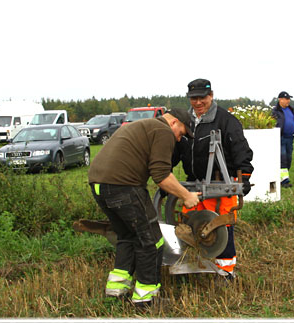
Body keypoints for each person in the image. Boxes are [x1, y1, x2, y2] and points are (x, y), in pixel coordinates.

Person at [88, 108, 200, 308]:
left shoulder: (142, 126)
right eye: (181, 133)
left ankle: (116, 291)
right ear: (174, 122)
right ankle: (146, 299)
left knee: (127, 236)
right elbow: (161, 176)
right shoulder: (163, 131)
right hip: (123, 187)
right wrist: (186, 195)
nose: (178, 139)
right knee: (151, 241)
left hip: (99, 185)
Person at [172, 78, 254, 280]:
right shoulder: (186, 121)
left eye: (202, 98)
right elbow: (174, 151)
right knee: (190, 226)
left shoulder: (226, 120)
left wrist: (244, 177)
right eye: (193, 98)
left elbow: (242, 151)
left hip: (220, 185)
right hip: (193, 185)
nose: (198, 102)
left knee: (220, 228)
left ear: (211, 96)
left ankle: (226, 273)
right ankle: (198, 265)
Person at [271, 91, 294, 188]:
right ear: (280, 99)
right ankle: (284, 181)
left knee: (288, 159)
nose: (288, 101)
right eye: (286, 99)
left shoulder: (291, 109)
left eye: (289, 99)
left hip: (290, 138)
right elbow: (272, 123)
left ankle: (283, 177)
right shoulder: (275, 111)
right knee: (283, 159)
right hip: (280, 138)